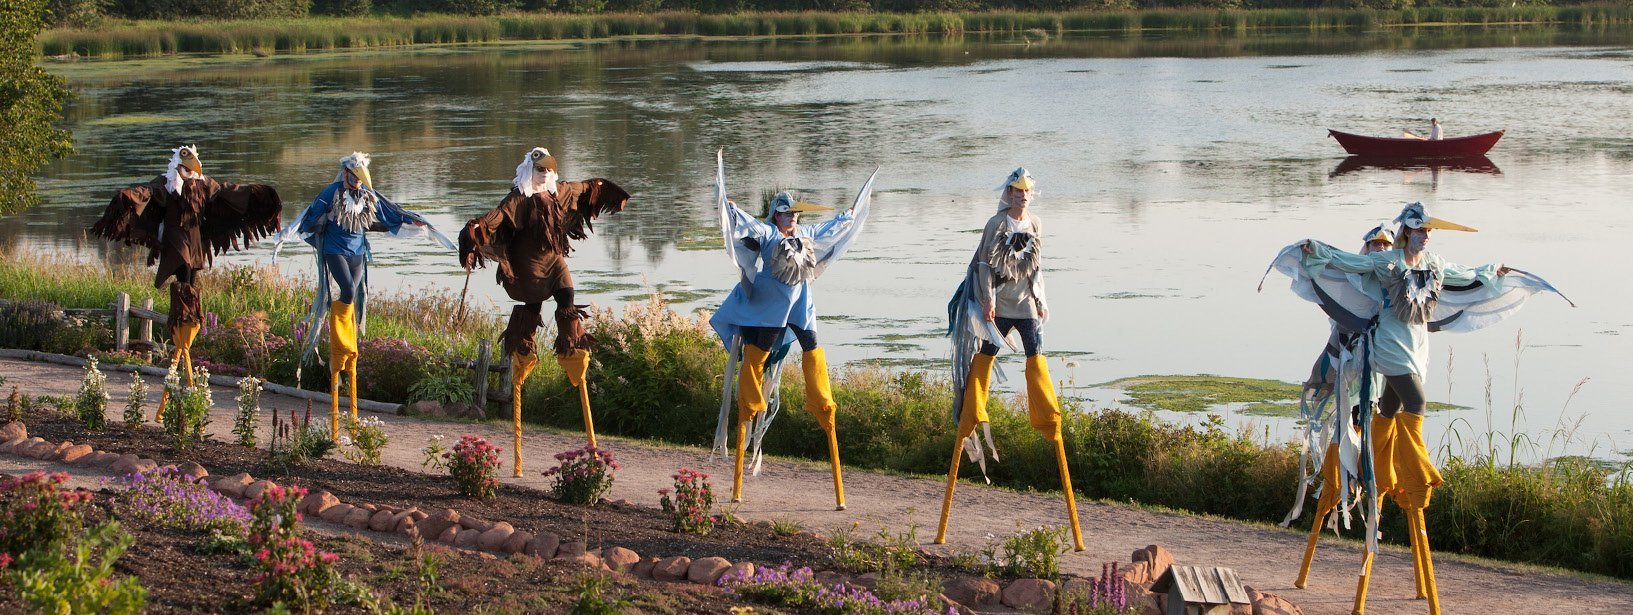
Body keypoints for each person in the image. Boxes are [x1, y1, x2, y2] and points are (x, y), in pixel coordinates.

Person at [1288, 202, 1572, 615]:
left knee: (1391, 407)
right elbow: (1350, 263)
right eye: (1420, 231)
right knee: (1417, 401)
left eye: (1428, 232)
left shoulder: (1434, 264)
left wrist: (1494, 272)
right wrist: (1316, 251)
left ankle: (1376, 456)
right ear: (1407, 232)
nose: (1425, 237)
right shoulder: (1386, 263)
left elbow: (1464, 276)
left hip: (1417, 346)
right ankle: (1419, 470)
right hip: (1388, 345)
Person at [709, 150, 876, 510]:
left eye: (796, 214)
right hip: (769, 312)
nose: (794, 218)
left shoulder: (807, 234)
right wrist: (731, 208)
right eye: (788, 213)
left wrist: (849, 214)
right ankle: (749, 408)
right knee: (756, 359)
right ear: (777, 215)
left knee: (813, 348)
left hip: (801, 308)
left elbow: (831, 228)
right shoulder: (768, 233)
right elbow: (747, 226)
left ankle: (822, 402)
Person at [934, 167, 1083, 552]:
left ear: (1032, 194)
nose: (1022, 195)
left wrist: (1042, 301)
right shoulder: (996, 224)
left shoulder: (1035, 223)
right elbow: (984, 265)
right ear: (1009, 193)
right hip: (998, 307)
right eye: (1017, 190)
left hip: (1026, 306)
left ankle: (1045, 413)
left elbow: (1037, 267)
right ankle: (972, 408)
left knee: (1036, 355)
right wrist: (986, 300)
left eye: (1027, 191)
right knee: (986, 355)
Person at [459, 147, 630, 476]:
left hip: (554, 263)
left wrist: (603, 189)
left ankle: (573, 356)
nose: (545, 176)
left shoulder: (559, 191)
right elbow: (495, 219)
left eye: (549, 171)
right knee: (531, 310)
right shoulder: (518, 199)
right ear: (530, 172)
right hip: (529, 267)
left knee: (567, 299)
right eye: (540, 171)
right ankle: (523, 356)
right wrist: (474, 230)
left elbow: (585, 189)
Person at [90, 145, 282, 420]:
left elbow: (228, 191)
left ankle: (187, 331)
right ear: (177, 167)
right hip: (175, 240)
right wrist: (127, 196)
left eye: (190, 169)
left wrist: (257, 194)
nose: (188, 173)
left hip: (195, 242)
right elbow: (147, 192)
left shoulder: (203, 185)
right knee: (182, 277)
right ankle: (183, 326)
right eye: (184, 169)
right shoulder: (167, 185)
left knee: (193, 285)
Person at [273, 152, 454, 436]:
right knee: (345, 290)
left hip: (357, 252)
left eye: (361, 178)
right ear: (346, 173)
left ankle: (350, 343)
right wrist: (297, 229)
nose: (357, 181)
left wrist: (411, 221)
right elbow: (310, 215)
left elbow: (388, 212)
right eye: (354, 176)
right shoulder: (332, 193)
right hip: (334, 250)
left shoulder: (368, 196)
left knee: (354, 296)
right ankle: (341, 342)